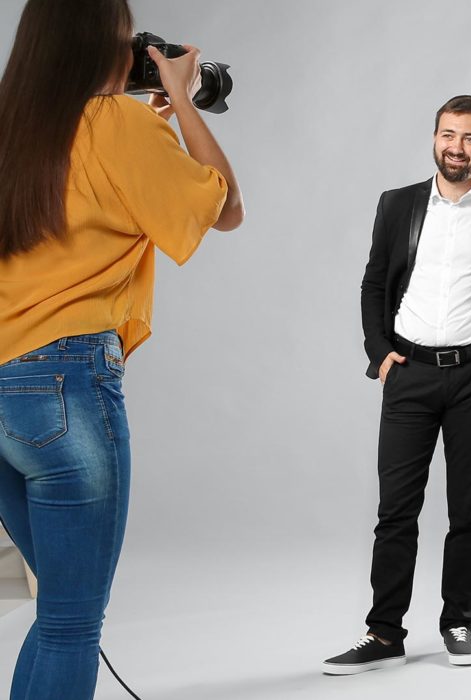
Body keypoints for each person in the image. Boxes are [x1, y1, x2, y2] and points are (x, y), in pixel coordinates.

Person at [0, 1, 244, 698]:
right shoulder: (119, 124)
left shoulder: (13, 128)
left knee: (55, 618)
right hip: (63, 390)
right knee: (73, 625)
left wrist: (149, 126)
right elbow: (225, 209)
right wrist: (180, 101)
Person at [323, 94, 471, 675]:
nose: (457, 147)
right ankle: (383, 633)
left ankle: (459, 623)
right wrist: (379, 353)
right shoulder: (398, 204)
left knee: (469, 511)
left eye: (470, 138)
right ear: (435, 136)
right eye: (449, 135)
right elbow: (374, 283)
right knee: (396, 510)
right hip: (408, 375)